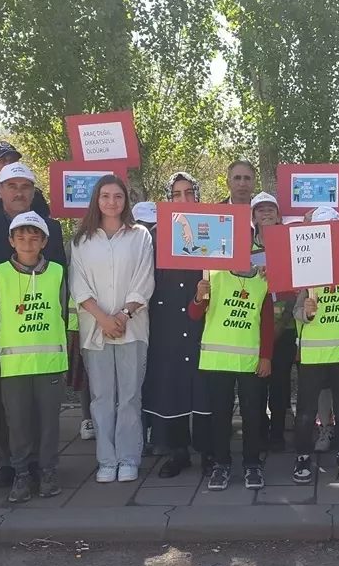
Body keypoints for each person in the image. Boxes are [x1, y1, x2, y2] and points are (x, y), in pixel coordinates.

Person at [0, 162, 69, 489]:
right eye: (12, 186)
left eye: (26, 186)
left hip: (40, 335)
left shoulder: (50, 229)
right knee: (1, 408)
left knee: (38, 410)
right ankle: (7, 464)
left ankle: (38, 464)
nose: (19, 192)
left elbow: (59, 282)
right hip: (0, 330)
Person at [70, 176, 155, 484]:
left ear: (125, 201)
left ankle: (129, 458)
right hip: (96, 330)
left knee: (130, 396)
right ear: (96, 199)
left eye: (117, 196)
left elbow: (144, 279)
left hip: (132, 327)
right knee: (102, 397)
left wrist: (122, 314)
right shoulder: (81, 240)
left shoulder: (140, 236)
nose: (111, 202)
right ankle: (107, 460)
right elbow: (78, 285)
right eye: (105, 196)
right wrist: (103, 319)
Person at [0, 212, 73, 502]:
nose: (27, 242)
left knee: (49, 423)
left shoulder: (57, 272)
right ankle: (21, 473)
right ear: (11, 241)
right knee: (18, 423)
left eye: (34, 237)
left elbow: (63, 312)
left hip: (50, 362)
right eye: (21, 237)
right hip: (13, 365)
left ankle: (47, 471)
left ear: (44, 241)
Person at [144, 173, 214, 478]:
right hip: (167, 318)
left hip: (205, 317)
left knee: (204, 386)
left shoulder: (211, 227)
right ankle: (177, 451)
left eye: (189, 192)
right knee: (170, 384)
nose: (183, 199)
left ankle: (209, 450)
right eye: (176, 194)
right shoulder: (154, 235)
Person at [291, 208, 339, 484]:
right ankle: (302, 456)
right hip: (312, 355)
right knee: (306, 412)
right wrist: (306, 312)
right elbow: (297, 311)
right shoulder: (305, 267)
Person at [190, 260, 275, 491]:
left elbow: (267, 323)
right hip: (218, 361)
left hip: (250, 361)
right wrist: (199, 296)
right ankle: (221, 463)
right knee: (220, 416)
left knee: (253, 414)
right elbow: (195, 314)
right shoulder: (212, 275)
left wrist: (266, 356)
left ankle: (252, 463)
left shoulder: (262, 280)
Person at [251, 192, 298, 452]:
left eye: (271, 209)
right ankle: (258, 431)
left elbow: (297, 285)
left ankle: (277, 434)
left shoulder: (291, 244)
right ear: (253, 217)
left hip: (286, 326)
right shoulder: (244, 247)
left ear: (279, 215)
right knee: (257, 384)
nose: (266, 213)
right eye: (261, 209)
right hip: (254, 327)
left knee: (280, 384)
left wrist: (281, 324)